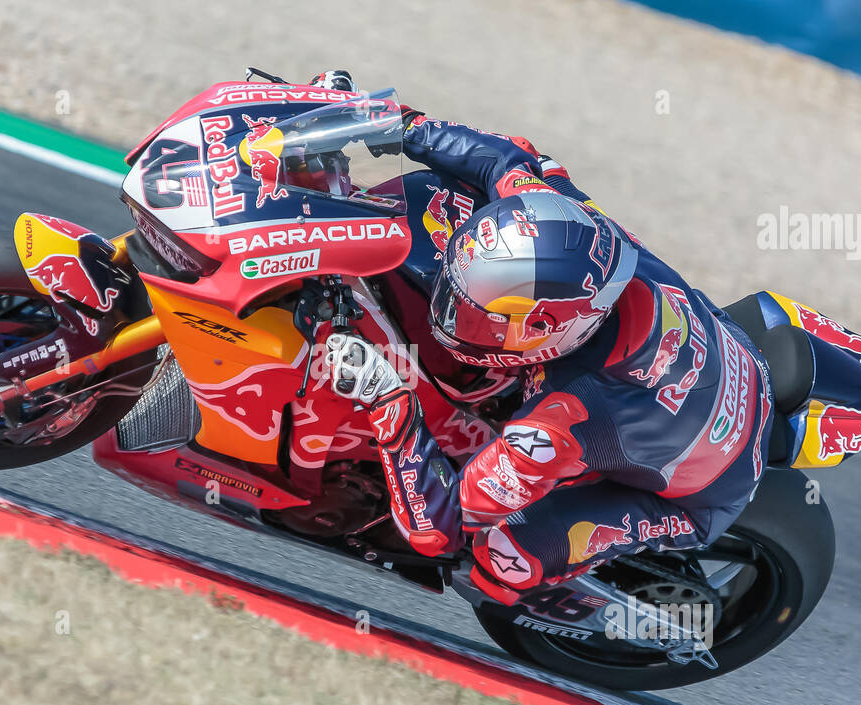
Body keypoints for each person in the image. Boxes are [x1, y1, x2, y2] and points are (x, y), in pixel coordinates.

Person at [311, 70, 776, 604]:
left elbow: (439, 527)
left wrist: (387, 396)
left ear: (548, 330)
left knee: (501, 560)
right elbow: (505, 159)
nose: (454, 318)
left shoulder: (559, 419)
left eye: (481, 316)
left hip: (703, 489)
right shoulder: (566, 221)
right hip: (728, 363)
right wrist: (395, 123)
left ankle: (576, 599)